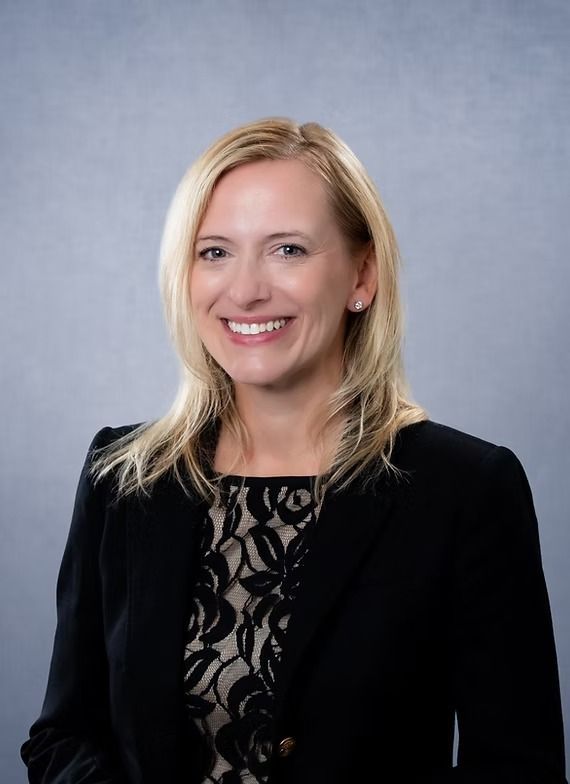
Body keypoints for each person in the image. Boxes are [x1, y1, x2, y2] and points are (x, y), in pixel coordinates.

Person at [21, 117, 567, 784]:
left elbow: (517, 769)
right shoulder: (123, 476)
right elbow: (65, 738)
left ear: (362, 275)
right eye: (215, 251)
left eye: (288, 250)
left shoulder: (465, 489)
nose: (246, 289)